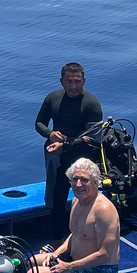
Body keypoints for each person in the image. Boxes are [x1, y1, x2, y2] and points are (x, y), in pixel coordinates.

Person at [34, 62, 103, 237]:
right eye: (69, 81)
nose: (73, 86)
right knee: (56, 197)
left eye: (77, 81)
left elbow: (93, 139)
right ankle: (57, 236)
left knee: (85, 196)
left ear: (84, 81)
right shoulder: (53, 98)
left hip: (83, 157)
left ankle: (88, 232)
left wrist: (65, 145)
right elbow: (39, 123)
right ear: (61, 81)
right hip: (58, 156)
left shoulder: (92, 103)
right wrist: (50, 134)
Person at [33, 158, 120, 273]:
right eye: (75, 179)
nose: (78, 185)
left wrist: (68, 267)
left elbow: (106, 254)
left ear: (95, 182)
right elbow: (76, 234)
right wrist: (56, 254)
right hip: (74, 263)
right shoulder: (76, 202)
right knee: (29, 262)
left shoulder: (103, 210)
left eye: (84, 180)